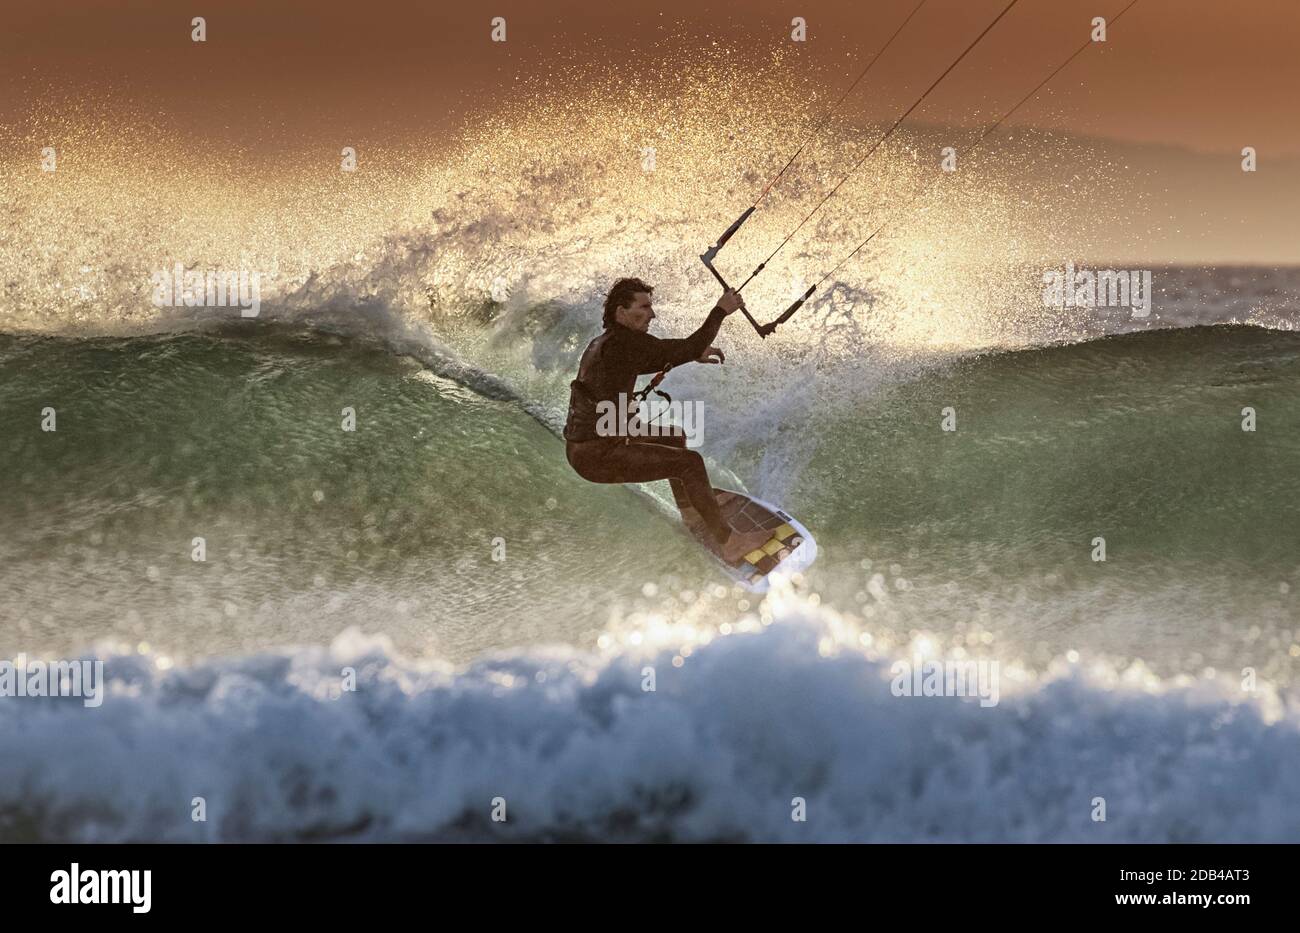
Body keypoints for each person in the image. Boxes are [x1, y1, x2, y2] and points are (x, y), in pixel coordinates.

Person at [563, 277, 774, 563]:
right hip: (597, 453)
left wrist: (690, 354)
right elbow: (675, 349)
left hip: (600, 437)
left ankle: (690, 509)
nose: (652, 314)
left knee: (673, 438)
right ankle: (730, 542)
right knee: (690, 463)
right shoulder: (623, 344)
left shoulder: (609, 343)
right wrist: (720, 310)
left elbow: (658, 356)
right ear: (621, 312)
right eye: (645, 307)